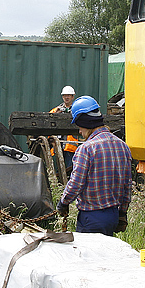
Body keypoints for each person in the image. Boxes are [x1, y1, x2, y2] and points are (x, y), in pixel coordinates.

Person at [56, 96, 133, 236]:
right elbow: (127, 185)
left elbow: (76, 183)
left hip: (91, 217)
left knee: (88, 257)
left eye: (80, 127)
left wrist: (63, 202)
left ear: (85, 122)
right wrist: (122, 213)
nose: (80, 131)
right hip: (113, 216)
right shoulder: (123, 146)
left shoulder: (86, 149)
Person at [49, 85, 80, 173]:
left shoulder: (77, 110)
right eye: (65, 95)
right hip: (58, 145)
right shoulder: (55, 110)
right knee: (58, 170)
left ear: (72, 97)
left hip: (70, 146)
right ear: (62, 96)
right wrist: (56, 115)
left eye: (69, 95)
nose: (67, 97)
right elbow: (48, 122)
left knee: (70, 170)